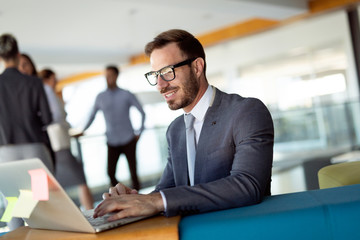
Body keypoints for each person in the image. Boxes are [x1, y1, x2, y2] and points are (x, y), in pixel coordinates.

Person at [93, 29, 274, 221]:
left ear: (197, 67)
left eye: (167, 72)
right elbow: (166, 192)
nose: (160, 85)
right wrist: (134, 201)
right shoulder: (175, 129)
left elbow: (247, 185)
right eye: (155, 75)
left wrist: (156, 201)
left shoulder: (246, 111)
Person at [0, 34, 54, 230]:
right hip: (35, 153)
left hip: (5, 155)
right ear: (18, 54)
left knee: (12, 204)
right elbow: (47, 119)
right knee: (41, 203)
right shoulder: (34, 82)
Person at [39, 68, 94, 210]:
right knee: (80, 180)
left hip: (50, 145)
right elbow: (56, 115)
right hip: (58, 143)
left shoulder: (42, 92)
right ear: (49, 78)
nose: (56, 81)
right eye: (54, 78)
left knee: (36, 189)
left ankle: (21, 225)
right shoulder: (47, 91)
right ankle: (92, 213)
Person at [83, 65, 146, 190]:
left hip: (128, 139)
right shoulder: (100, 96)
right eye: (106, 76)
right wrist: (82, 130)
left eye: (110, 75)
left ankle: (140, 200)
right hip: (111, 140)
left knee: (134, 173)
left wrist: (140, 132)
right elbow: (92, 115)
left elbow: (142, 112)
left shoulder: (126, 94)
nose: (108, 78)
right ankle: (122, 196)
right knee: (110, 173)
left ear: (116, 76)